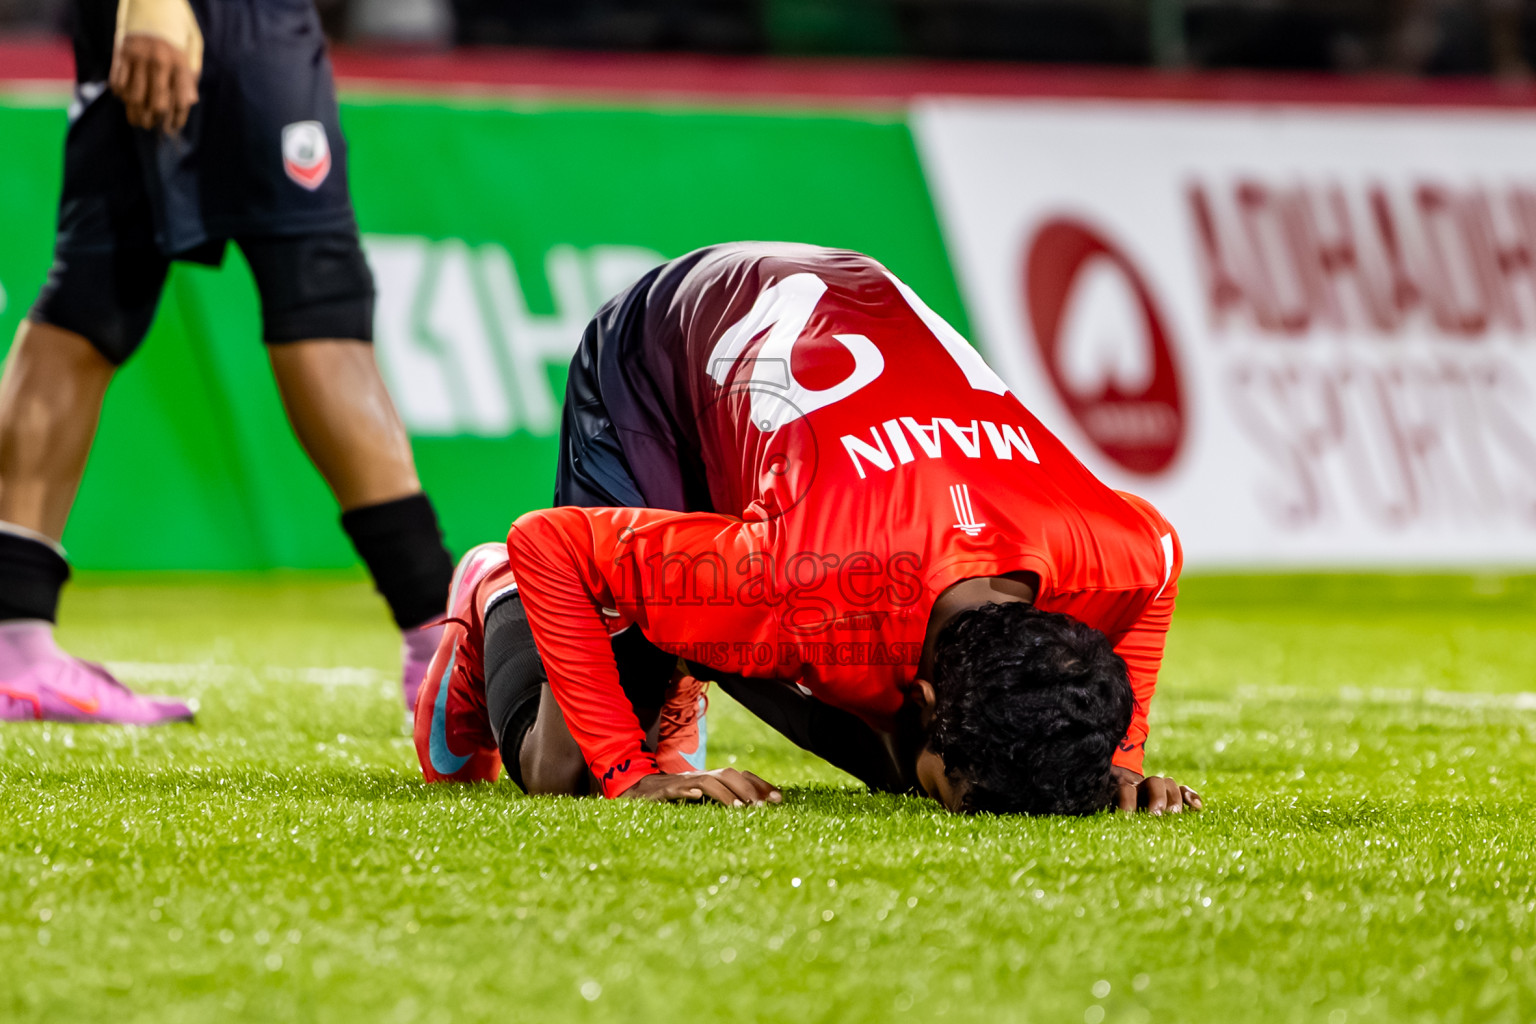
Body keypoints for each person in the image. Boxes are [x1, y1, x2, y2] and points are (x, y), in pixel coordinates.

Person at [417, 242, 1201, 815]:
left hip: (817, 427)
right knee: (569, 772)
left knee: (905, 754)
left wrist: (1118, 761)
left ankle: (689, 627)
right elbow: (549, 543)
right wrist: (632, 773)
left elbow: (1161, 557)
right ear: (923, 693)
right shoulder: (803, 571)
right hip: (661, 357)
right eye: (951, 800)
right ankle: (495, 601)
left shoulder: (1107, 551)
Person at [0, 0, 453, 725]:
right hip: (224, 18)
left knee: (92, 298)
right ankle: (439, 635)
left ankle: (13, 643)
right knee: (318, 299)